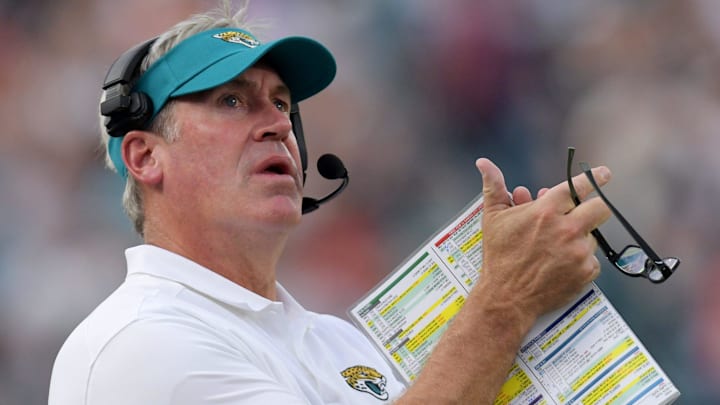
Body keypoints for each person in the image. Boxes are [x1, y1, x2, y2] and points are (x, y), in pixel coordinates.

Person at [48, 1, 612, 404]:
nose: (277, 124)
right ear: (145, 157)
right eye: (230, 100)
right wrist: (505, 299)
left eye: (281, 103)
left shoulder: (335, 342)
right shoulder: (140, 341)